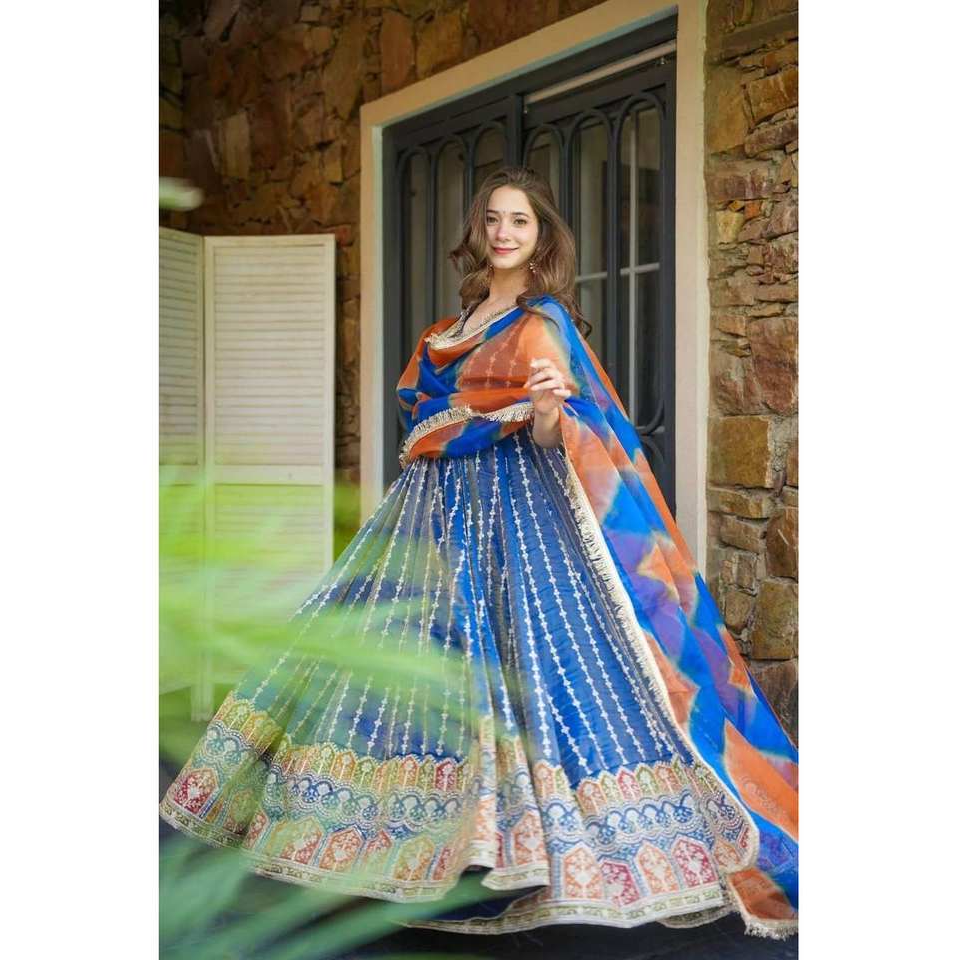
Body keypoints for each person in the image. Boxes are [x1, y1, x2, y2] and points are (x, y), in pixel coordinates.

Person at [160, 166, 798, 940]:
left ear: (542, 236)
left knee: (533, 660)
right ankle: (403, 831)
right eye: (493, 219)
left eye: (519, 221)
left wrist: (546, 408)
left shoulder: (543, 322)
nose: (503, 232)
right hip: (431, 515)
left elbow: (552, 435)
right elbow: (425, 420)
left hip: (521, 518)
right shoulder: (452, 326)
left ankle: (527, 837)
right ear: (477, 229)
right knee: (409, 655)